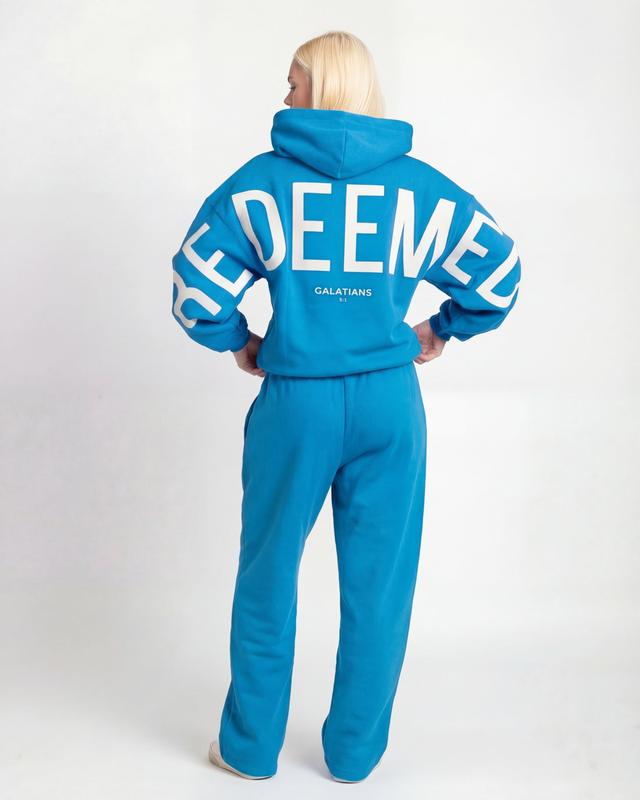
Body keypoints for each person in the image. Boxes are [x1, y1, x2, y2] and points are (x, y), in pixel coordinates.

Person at [171, 30, 521, 783]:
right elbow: (498, 274)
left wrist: (238, 340)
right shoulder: (421, 189)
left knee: (268, 573)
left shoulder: (261, 185)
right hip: (389, 404)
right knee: (379, 586)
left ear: (321, 87)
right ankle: (355, 755)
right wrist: (440, 329)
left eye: (293, 81)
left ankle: (249, 748)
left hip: (296, 402)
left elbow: (195, 287)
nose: (285, 95)